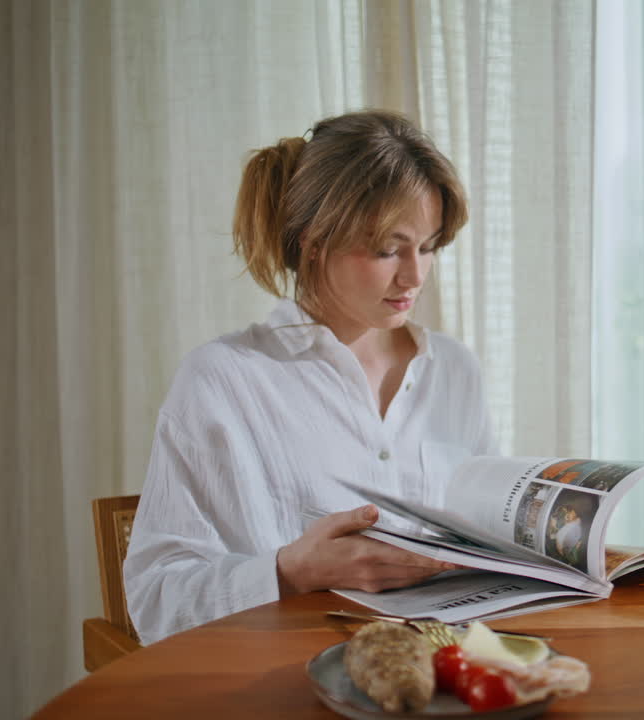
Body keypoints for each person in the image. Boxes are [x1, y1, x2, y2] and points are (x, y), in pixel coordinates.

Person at [123, 110, 498, 646]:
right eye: (388, 250)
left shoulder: (454, 370)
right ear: (313, 240)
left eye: (429, 246)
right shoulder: (223, 381)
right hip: (288, 685)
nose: (415, 276)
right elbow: (155, 601)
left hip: (447, 672)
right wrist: (290, 570)